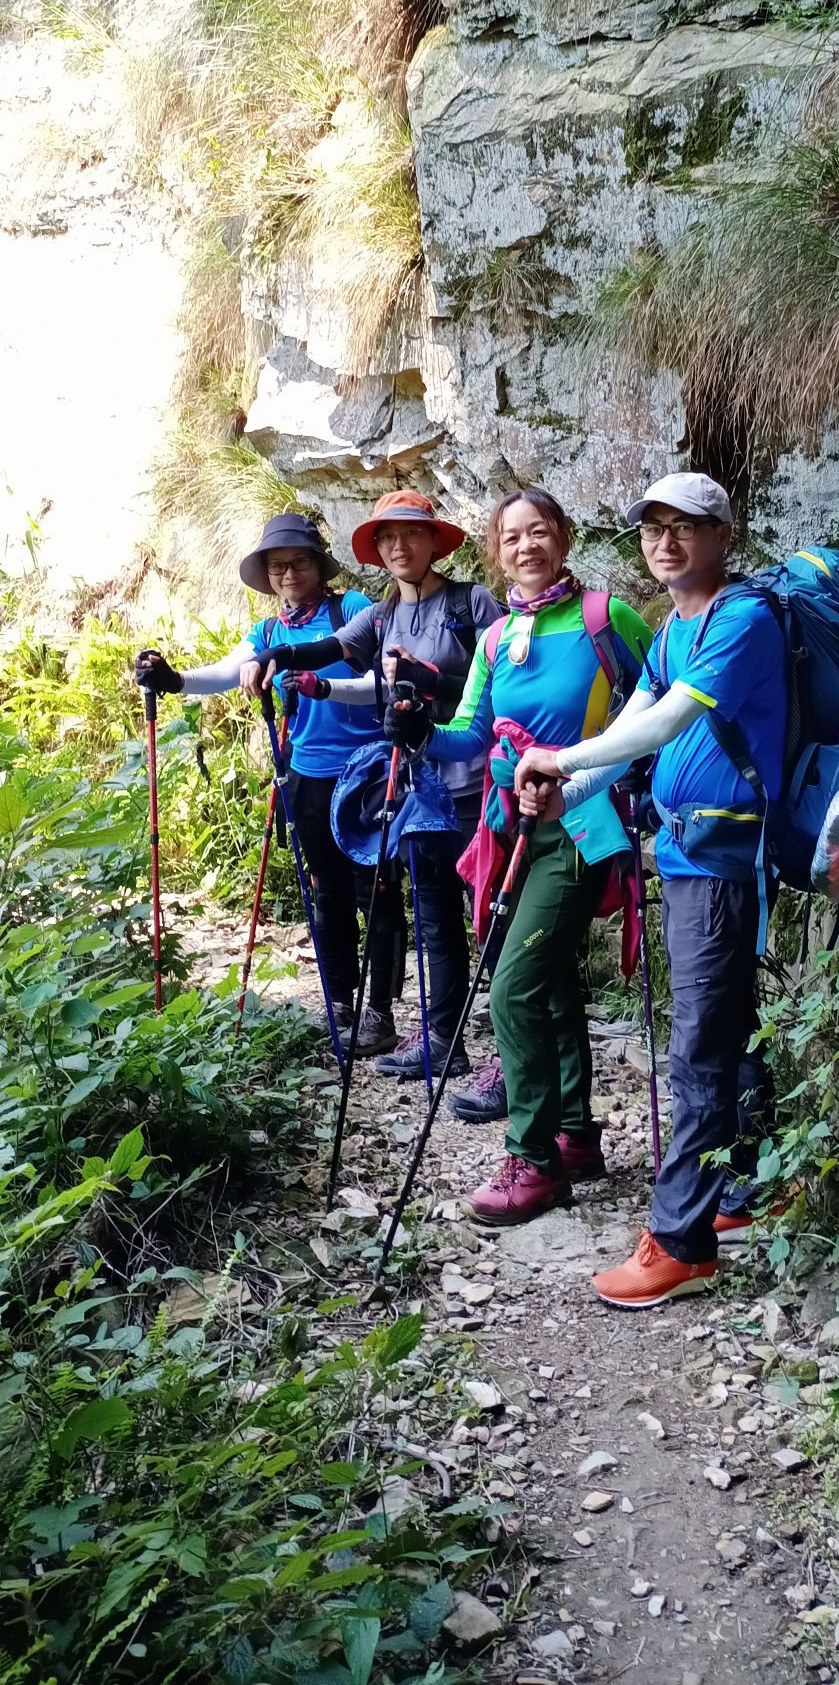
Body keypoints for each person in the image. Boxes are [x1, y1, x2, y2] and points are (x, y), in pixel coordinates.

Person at [514, 472, 787, 1309]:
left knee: (699, 1046)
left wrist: (556, 763)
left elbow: (668, 726)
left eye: (686, 526)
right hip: (686, 851)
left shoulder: (740, 621)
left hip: (723, 859)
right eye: (652, 528)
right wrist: (573, 793)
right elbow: (627, 741)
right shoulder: (675, 631)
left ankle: (681, 1241)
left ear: (723, 535)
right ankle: (740, 1186)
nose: (665, 541)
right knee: (725, 1028)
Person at [423, 486, 653, 1227]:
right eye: (512, 537)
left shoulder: (604, 618)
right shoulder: (494, 641)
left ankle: (533, 1159)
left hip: (583, 825)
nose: (527, 547)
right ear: (497, 552)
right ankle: (576, 1134)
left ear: (565, 535)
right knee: (548, 984)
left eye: (539, 532)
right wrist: (415, 732)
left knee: (513, 985)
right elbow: (470, 732)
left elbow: (656, 709)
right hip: (510, 827)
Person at [134, 512, 402, 1051]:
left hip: (369, 767)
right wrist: (174, 680)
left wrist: (322, 683)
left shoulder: (350, 609)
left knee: (374, 888)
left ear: (318, 565)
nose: (288, 573)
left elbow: (387, 677)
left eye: (298, 561)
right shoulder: (269, 631)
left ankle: (380, 1011)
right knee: (327, 891)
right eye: (277, 567)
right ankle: (340, 1003)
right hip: (305, 773)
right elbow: (232, 669)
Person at [262, 489, 503, 1081]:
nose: (399, 546)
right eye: (387, 538)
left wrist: (432, 683)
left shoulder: (471, 605)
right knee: (436, 918)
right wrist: (280, 655)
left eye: (411, 534)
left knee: (493, 918)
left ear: (433, 542)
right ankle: (444, 1040)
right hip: (419, 791)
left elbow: (506, 675)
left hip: (475, 785)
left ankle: (512, 1057)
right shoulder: (382, 614)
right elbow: (331, 649)